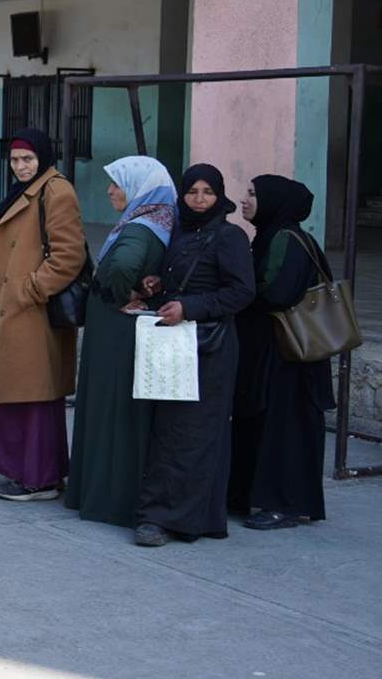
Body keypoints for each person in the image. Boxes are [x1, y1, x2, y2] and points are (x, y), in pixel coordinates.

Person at [0, 128, 82, 505]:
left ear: (43, 157)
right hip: (8, 306)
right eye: (14, 160)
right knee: (12, 391)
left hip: (29, 310)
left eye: (27, 159)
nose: (21, 166)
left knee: (32, 397)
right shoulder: (29, 190)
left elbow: (69, 257)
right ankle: (24, 471)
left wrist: (28, 290)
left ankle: (39, 477)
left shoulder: (56, 191)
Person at [130, 162, 254, 546]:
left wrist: (190, 308)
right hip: (178, 344)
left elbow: (242, 292)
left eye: (208, 193)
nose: (199, 200)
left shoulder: (230, 236)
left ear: (219, 196)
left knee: (195, 432)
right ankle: (178, 515)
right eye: (192, 192)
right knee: (171, 430)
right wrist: (158, 285)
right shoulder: (181, 231)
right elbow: (186, 278)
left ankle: (172, 519)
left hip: (209, 347)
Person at [63, 156, 175, 530]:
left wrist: (120, 291)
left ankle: (106, 498)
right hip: (116, 332)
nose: (110, 190)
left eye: (118, 184)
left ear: (140, 188)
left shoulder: (139, 228)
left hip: (117, 332)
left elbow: (126, 264)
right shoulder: (153, 220)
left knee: (112, 414)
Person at [227, 174, 336, 530]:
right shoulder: (271, 237)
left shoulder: (285, 240)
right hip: (273, 352)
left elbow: (275, 292)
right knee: (264, 423)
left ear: (274, 201)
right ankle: (253, 496)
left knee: (284, 427)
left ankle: (283, 504)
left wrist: (236, 291)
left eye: (253, 194)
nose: (244, 199)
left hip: (288, 357)